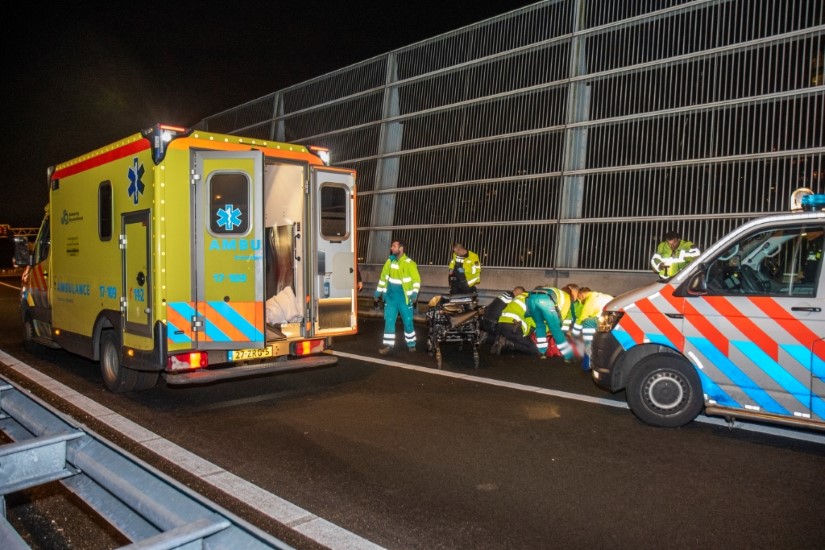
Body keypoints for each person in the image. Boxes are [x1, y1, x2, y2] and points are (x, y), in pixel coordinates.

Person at [374, 240, 421, 354]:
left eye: (394, 246)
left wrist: (414, 294)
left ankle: (411, 344)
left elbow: (416, 281)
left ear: (401, 248)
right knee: (389, 322)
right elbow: (383, 278)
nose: (391, 248)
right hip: (390, 299)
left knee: (408, 322)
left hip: (404, 299)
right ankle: (388, 345)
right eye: (392, 246)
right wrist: (378, 292)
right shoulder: (389, 262)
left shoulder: (410, 263)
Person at [525, 285, 575, 361]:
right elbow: (562, 316)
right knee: (556, 329)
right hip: (546, 300)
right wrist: (560, 328)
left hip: (530, 298)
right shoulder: (567, 297)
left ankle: (542, 352)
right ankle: (568, 355)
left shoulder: (555, 291)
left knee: (539, 325)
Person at [571, 287, 613, 371]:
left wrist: (574, 333)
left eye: (580, 299)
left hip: (599, 319)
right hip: (612, 320)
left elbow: (583, 317)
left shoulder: (591, 299)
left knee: (588, 337)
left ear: (581, 294)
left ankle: (588, 364)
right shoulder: (606, 296)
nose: (581, 301)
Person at [490, 288, 537, 355]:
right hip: (513, 327)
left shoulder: (517, 298)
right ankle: (507, 343)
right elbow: (535, 324)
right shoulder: (532, 302)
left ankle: (493, 339)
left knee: (517, 338)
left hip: (500, 325)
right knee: (533, 349)